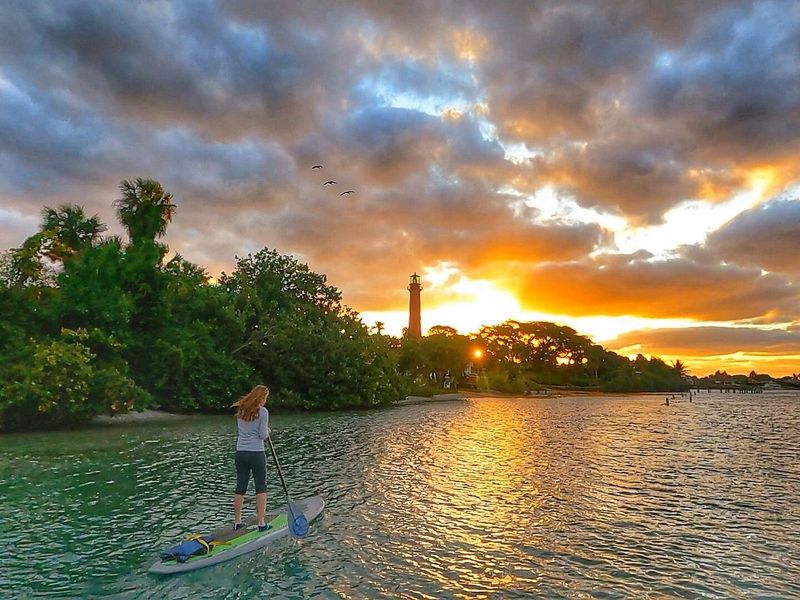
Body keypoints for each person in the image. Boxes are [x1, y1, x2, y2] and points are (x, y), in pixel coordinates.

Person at [231, 384, 271, 532]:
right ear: (261, 398)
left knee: (240, 486)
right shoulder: (263, 412)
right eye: (265, 398)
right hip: (256, 453)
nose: (265, 401)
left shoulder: (241, 409)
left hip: (240, 452)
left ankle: (237, 521)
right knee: (261, 487)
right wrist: (267, 430)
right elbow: (262, 435)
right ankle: (261, 523)